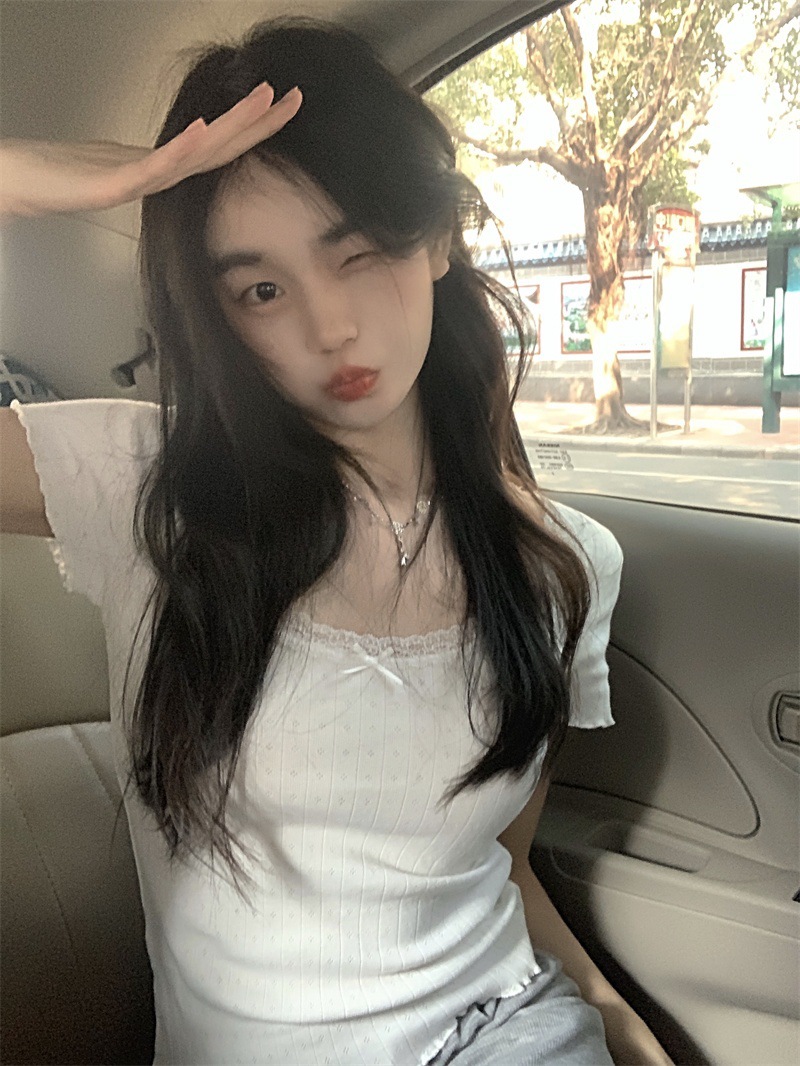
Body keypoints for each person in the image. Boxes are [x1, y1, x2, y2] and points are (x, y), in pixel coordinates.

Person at [0, 16, 671, 1066]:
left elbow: (495, 864)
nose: (330, 328)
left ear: (435, 238)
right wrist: (23, 175)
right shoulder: (149, 483)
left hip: (513, 1031)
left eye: (358, 253)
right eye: (260, 290)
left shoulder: (560, 561)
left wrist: (616, 1022)